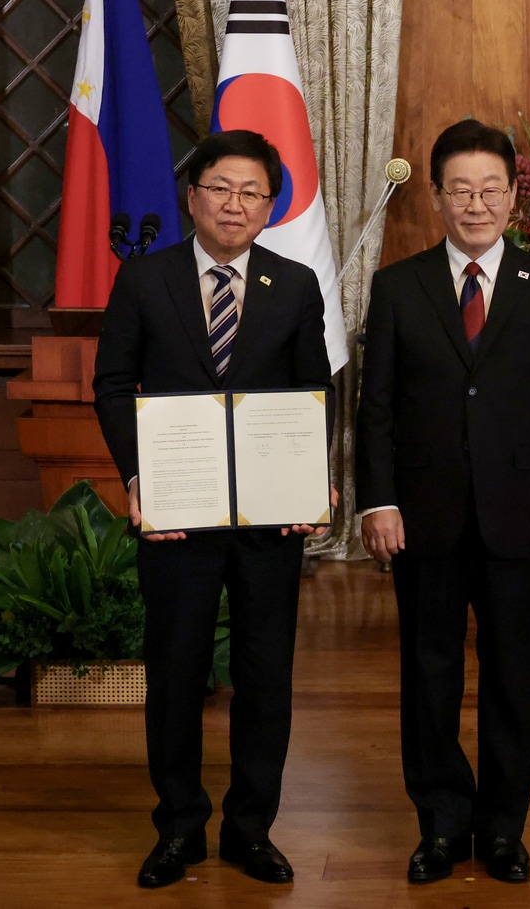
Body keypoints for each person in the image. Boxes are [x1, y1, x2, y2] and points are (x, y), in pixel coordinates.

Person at [93, 129, 337, 888]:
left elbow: (315, 392)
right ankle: (178, 828)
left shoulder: (295, 283)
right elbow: (113, 384)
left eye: (252, 192)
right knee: (176, 672)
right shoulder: (144, 279)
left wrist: (314, 479)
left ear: (270, 206)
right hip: (177, 510)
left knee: (265, 675)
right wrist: (139, 477)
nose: (235, 204)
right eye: (221, 188)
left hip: (269, 517)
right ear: (192, 196)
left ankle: (250, 829)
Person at [355, 118, 530, 885]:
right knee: (428, 674)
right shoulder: (399, 285)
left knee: (510, 675)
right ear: (435, 196)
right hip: (422, 515)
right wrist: (377, 501)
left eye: (491, 189)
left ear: (514, 195)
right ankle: (440, 823)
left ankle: (502, 828)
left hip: (520, 512)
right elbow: (375, 407)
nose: (476, 203)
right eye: (460, 189)